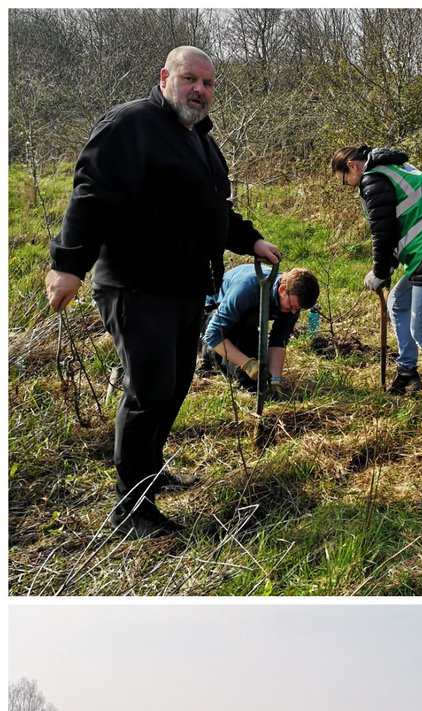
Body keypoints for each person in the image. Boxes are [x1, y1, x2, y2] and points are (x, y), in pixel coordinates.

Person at [44, 46, 281, 537]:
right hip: (136, 285)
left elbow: (213, 210)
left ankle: (148, 473)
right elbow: (93, 190)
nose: (200, 90)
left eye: (208, 84)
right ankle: (131, 509)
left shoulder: (199, 140)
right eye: (190, 79)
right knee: (149, 389)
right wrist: (68, 265)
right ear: (165, 78)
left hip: (186, 287)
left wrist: (249, 239)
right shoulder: (132, 124)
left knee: (173, 387)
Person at [331, 145, 422, 396]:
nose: (348, 187)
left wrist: (379, 272)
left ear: (352, 166)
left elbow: (382, 233)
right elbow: (399, 226)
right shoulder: (395, 168)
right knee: (396, 302)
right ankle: (407, 372)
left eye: (345, 181)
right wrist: (390, 266)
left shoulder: (373, 179)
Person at [200, 265, 319, 390]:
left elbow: (278, 341)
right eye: (292, 306)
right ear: (282, 289)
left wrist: (275, 380)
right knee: (246, 379)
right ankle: (208, 352)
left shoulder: (293, 304)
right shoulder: (248, 288)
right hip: (211, 311)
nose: (294, 312)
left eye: (298, 309)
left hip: (246, 319)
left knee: (259, 374)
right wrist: (248, 365)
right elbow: (213, 333)